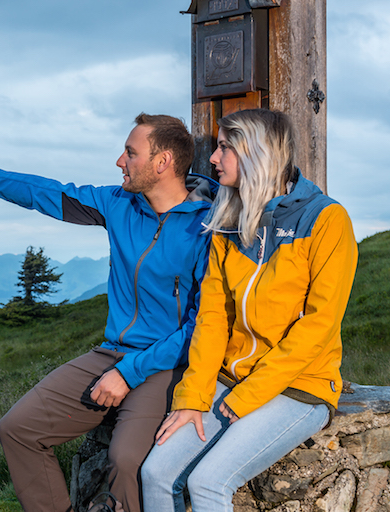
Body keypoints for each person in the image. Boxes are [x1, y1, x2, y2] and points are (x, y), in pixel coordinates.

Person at [0, 113, 217, 512]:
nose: (119, 161)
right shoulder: (119, 204)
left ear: (162, 162)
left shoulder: (208, 228)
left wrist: (128, 374)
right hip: (111, 352)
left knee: (126, 460)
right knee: (18, 429)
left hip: (167, 365)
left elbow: (203, 324)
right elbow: (43, 192)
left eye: (130, 153)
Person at [141, 108, 358, 512]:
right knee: (154, 474)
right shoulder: (228, 220)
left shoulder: (327, 220)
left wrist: (246, 398)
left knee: (208, 482)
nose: (213, 158)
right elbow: (212, 319)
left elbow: (319, 326)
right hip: (230, 378)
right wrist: (192, 396)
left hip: (299, 385)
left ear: (257, 153)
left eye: (225, 147)